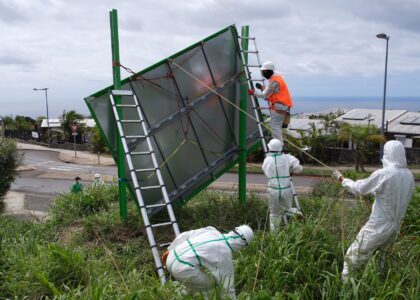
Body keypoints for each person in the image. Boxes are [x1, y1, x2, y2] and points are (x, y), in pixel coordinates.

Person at [332, 140, 415, 281]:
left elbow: (360, 188)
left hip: (378, 225)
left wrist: (342, 179)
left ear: (387, 154)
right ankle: (378, 285)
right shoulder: (409, 175)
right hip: (395, 226)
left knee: (352, 256)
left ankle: (345, 289)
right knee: (379, 257)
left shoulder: (384, 174)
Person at [163, 225, 254, 299]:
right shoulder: (225, 253)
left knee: (198, 283)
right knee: (211, 286)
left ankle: (183, 295)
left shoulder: (212, 231)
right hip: (182, 268)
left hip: (171, 256)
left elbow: (186, 235)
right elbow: (227, 287)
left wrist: (171, 249)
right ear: (243, 245)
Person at [262, 139, 303, 230]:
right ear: (281, 147)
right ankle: (296, 214)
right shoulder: (288, 158)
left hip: (273, 190)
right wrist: (291, 171)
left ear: (269, 148)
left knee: (274, 214)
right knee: (287, 208)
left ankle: (274, 237)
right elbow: (299, 169)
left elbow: (266, 172)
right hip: (286, 189)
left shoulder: (267, 160)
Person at [248, 61, 293, 142]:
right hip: (283, 105)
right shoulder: (277, 77)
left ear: (269, 71)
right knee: (276, 126)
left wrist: (253, 93)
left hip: (280, 105)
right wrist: (264, 88)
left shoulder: (274, 80)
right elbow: (274, 91)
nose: (263, 74)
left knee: (274, 126)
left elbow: (265, 95)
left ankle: (278, 145)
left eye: (264, 72)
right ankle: (279, 145)